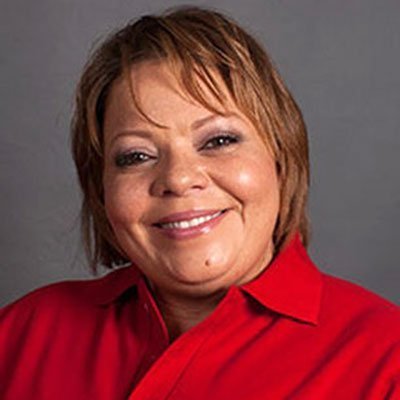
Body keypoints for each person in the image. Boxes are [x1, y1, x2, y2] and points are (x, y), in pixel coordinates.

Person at [1, 6, 399, 399]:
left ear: (280, 158)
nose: (178, 178)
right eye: (136, 156)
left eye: (218, 141)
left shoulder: (387, 359)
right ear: (102, 189)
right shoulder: (20, 334)